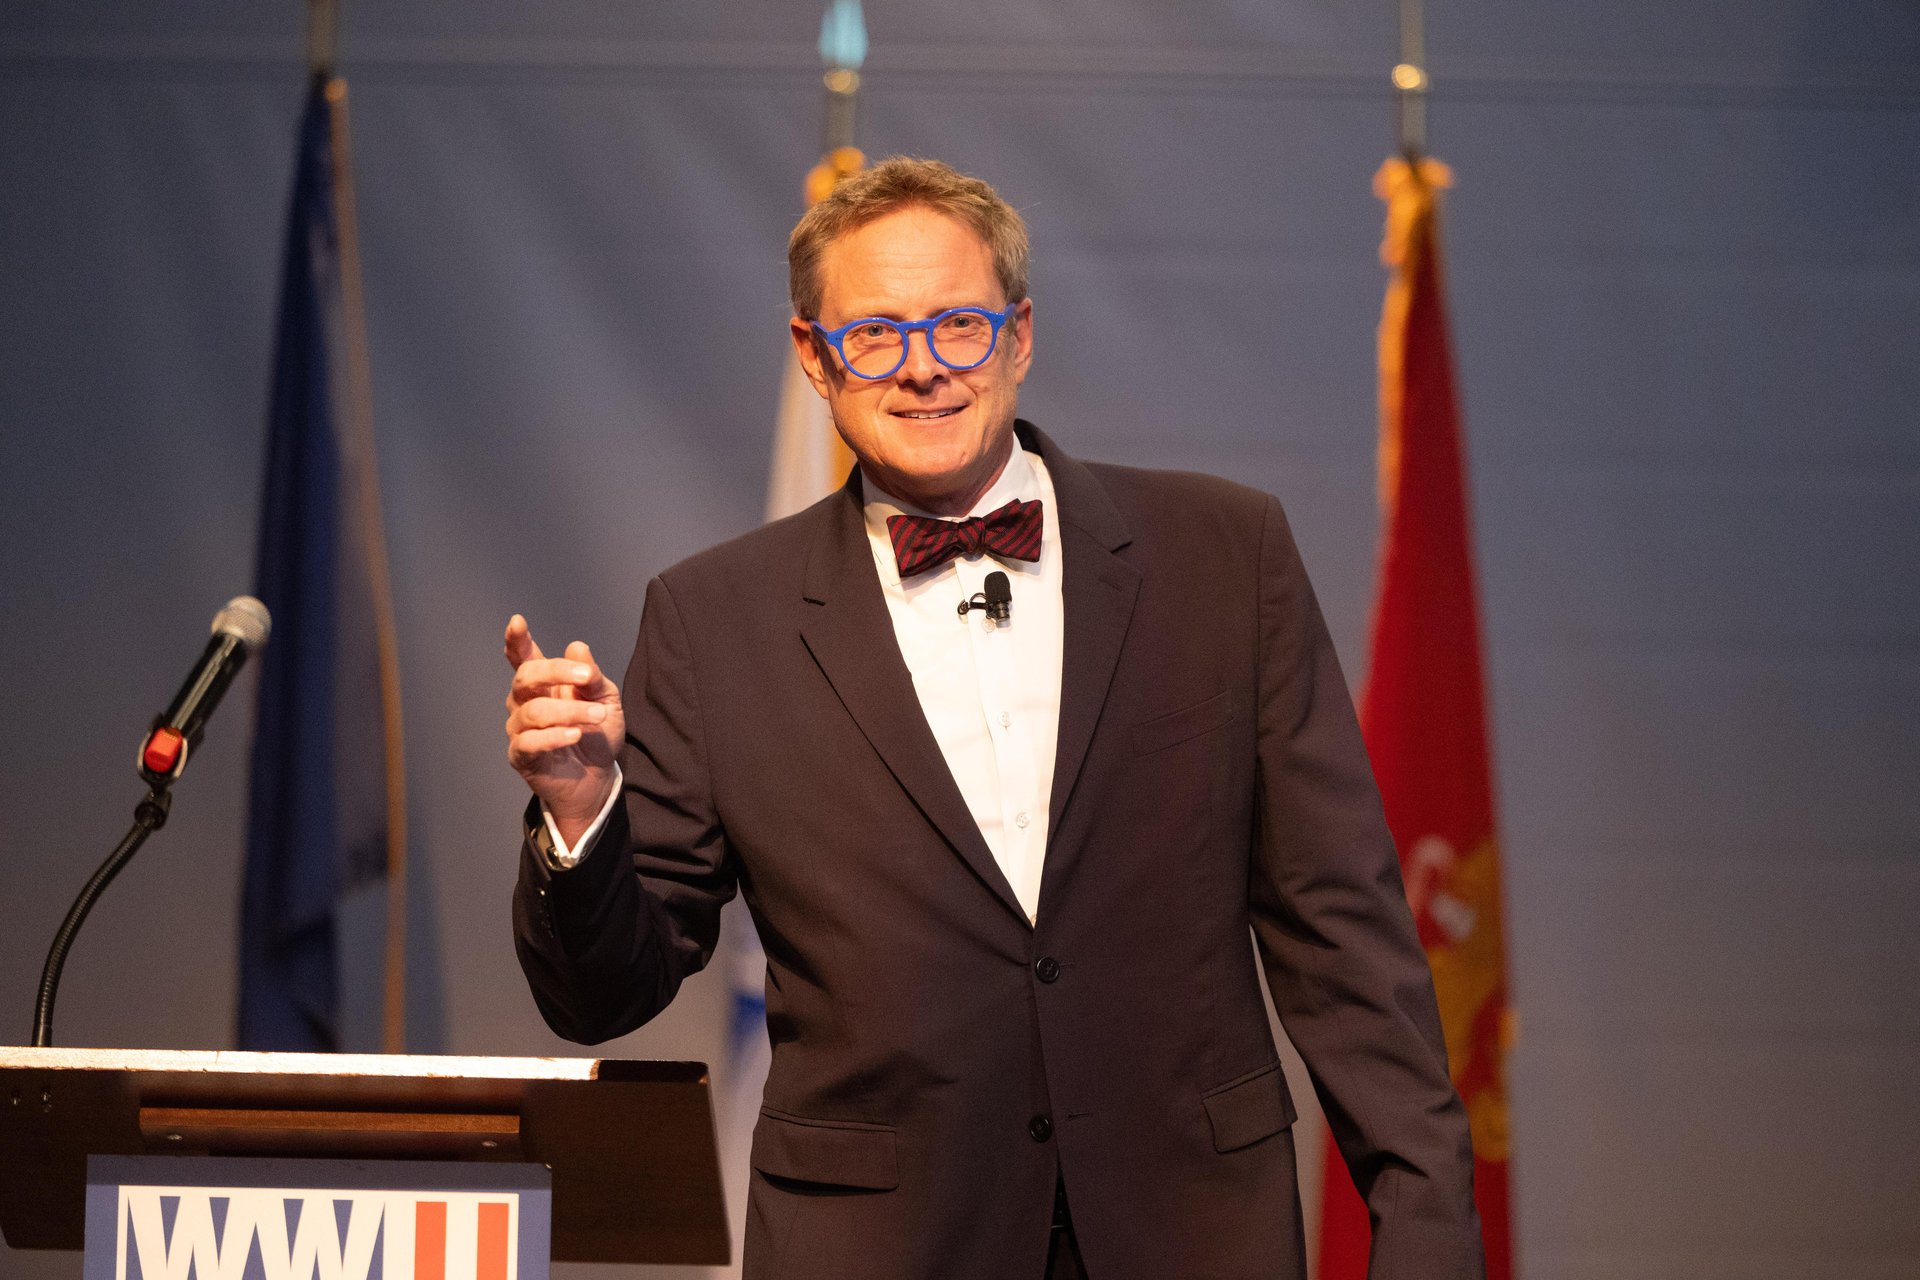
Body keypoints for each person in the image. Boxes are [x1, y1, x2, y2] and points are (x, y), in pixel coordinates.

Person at [504, 157, 1483, 1280]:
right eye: (875, 334)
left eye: (959, 326)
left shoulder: (1224, 556)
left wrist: (1428, 1238)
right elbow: (603, 993)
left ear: (1019, 337)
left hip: (1193, 1233)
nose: (923, 368)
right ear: (815, 358)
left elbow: (1346, 943)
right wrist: (583, 815)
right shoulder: (714, 617)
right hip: (878, 1247)